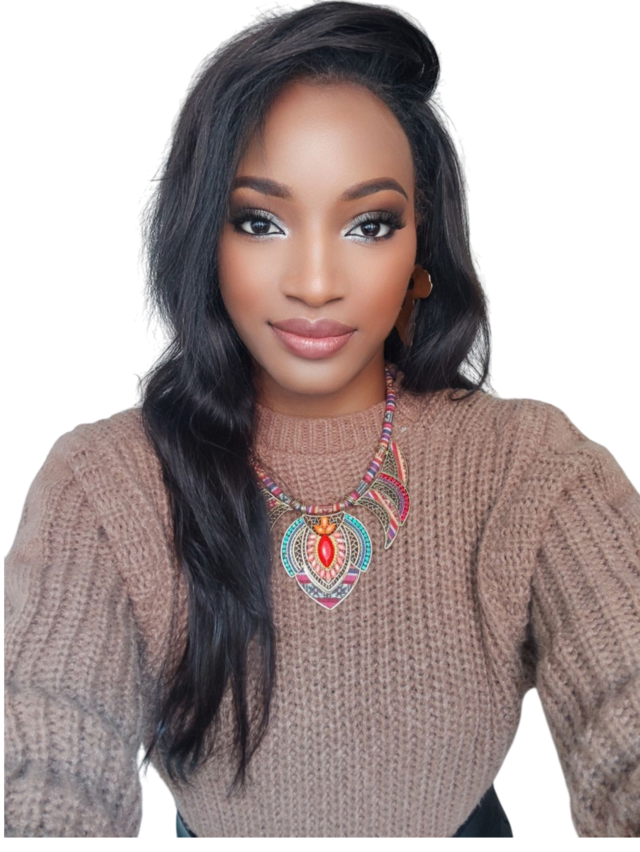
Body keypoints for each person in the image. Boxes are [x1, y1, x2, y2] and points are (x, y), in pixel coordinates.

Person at [4, 0, 639, 839]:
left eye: (369, 224)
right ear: (206, 238)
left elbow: (626, 701)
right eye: (260, 221)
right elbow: (48, 748)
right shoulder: (102, 485)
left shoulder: (530, 465)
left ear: (420, 248)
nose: (314, 282)